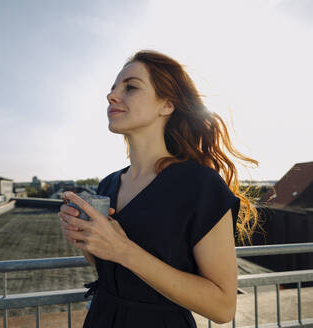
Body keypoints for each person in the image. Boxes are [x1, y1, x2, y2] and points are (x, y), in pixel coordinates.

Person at [58, 50, 260, 327]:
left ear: (166, 104)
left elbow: (223, 308)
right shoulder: (107, 184)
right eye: (113, 89)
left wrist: (123, 249)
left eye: (130, 87)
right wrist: (84, 237)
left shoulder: (200, 185)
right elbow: (107, 266)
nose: (112, 96)